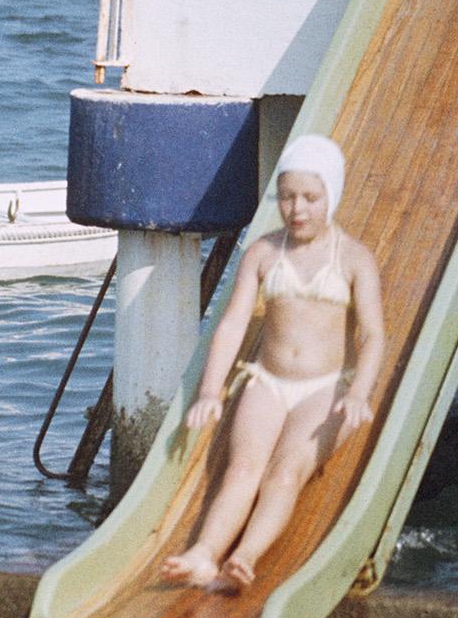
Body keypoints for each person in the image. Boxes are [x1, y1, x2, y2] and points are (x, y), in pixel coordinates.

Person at [161, 136, 385, 593]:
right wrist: (209, 391)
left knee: (284, 473)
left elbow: (373, 334)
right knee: (242, 468)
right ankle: (205, 554)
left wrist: (360, 390)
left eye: (310, 197)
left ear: (331, 197)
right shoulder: (264, 253)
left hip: (326, 389)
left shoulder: (355, 259)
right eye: (286, 197)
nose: (297, 208)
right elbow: (232, 325)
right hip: (267, 381)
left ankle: (243, 558)